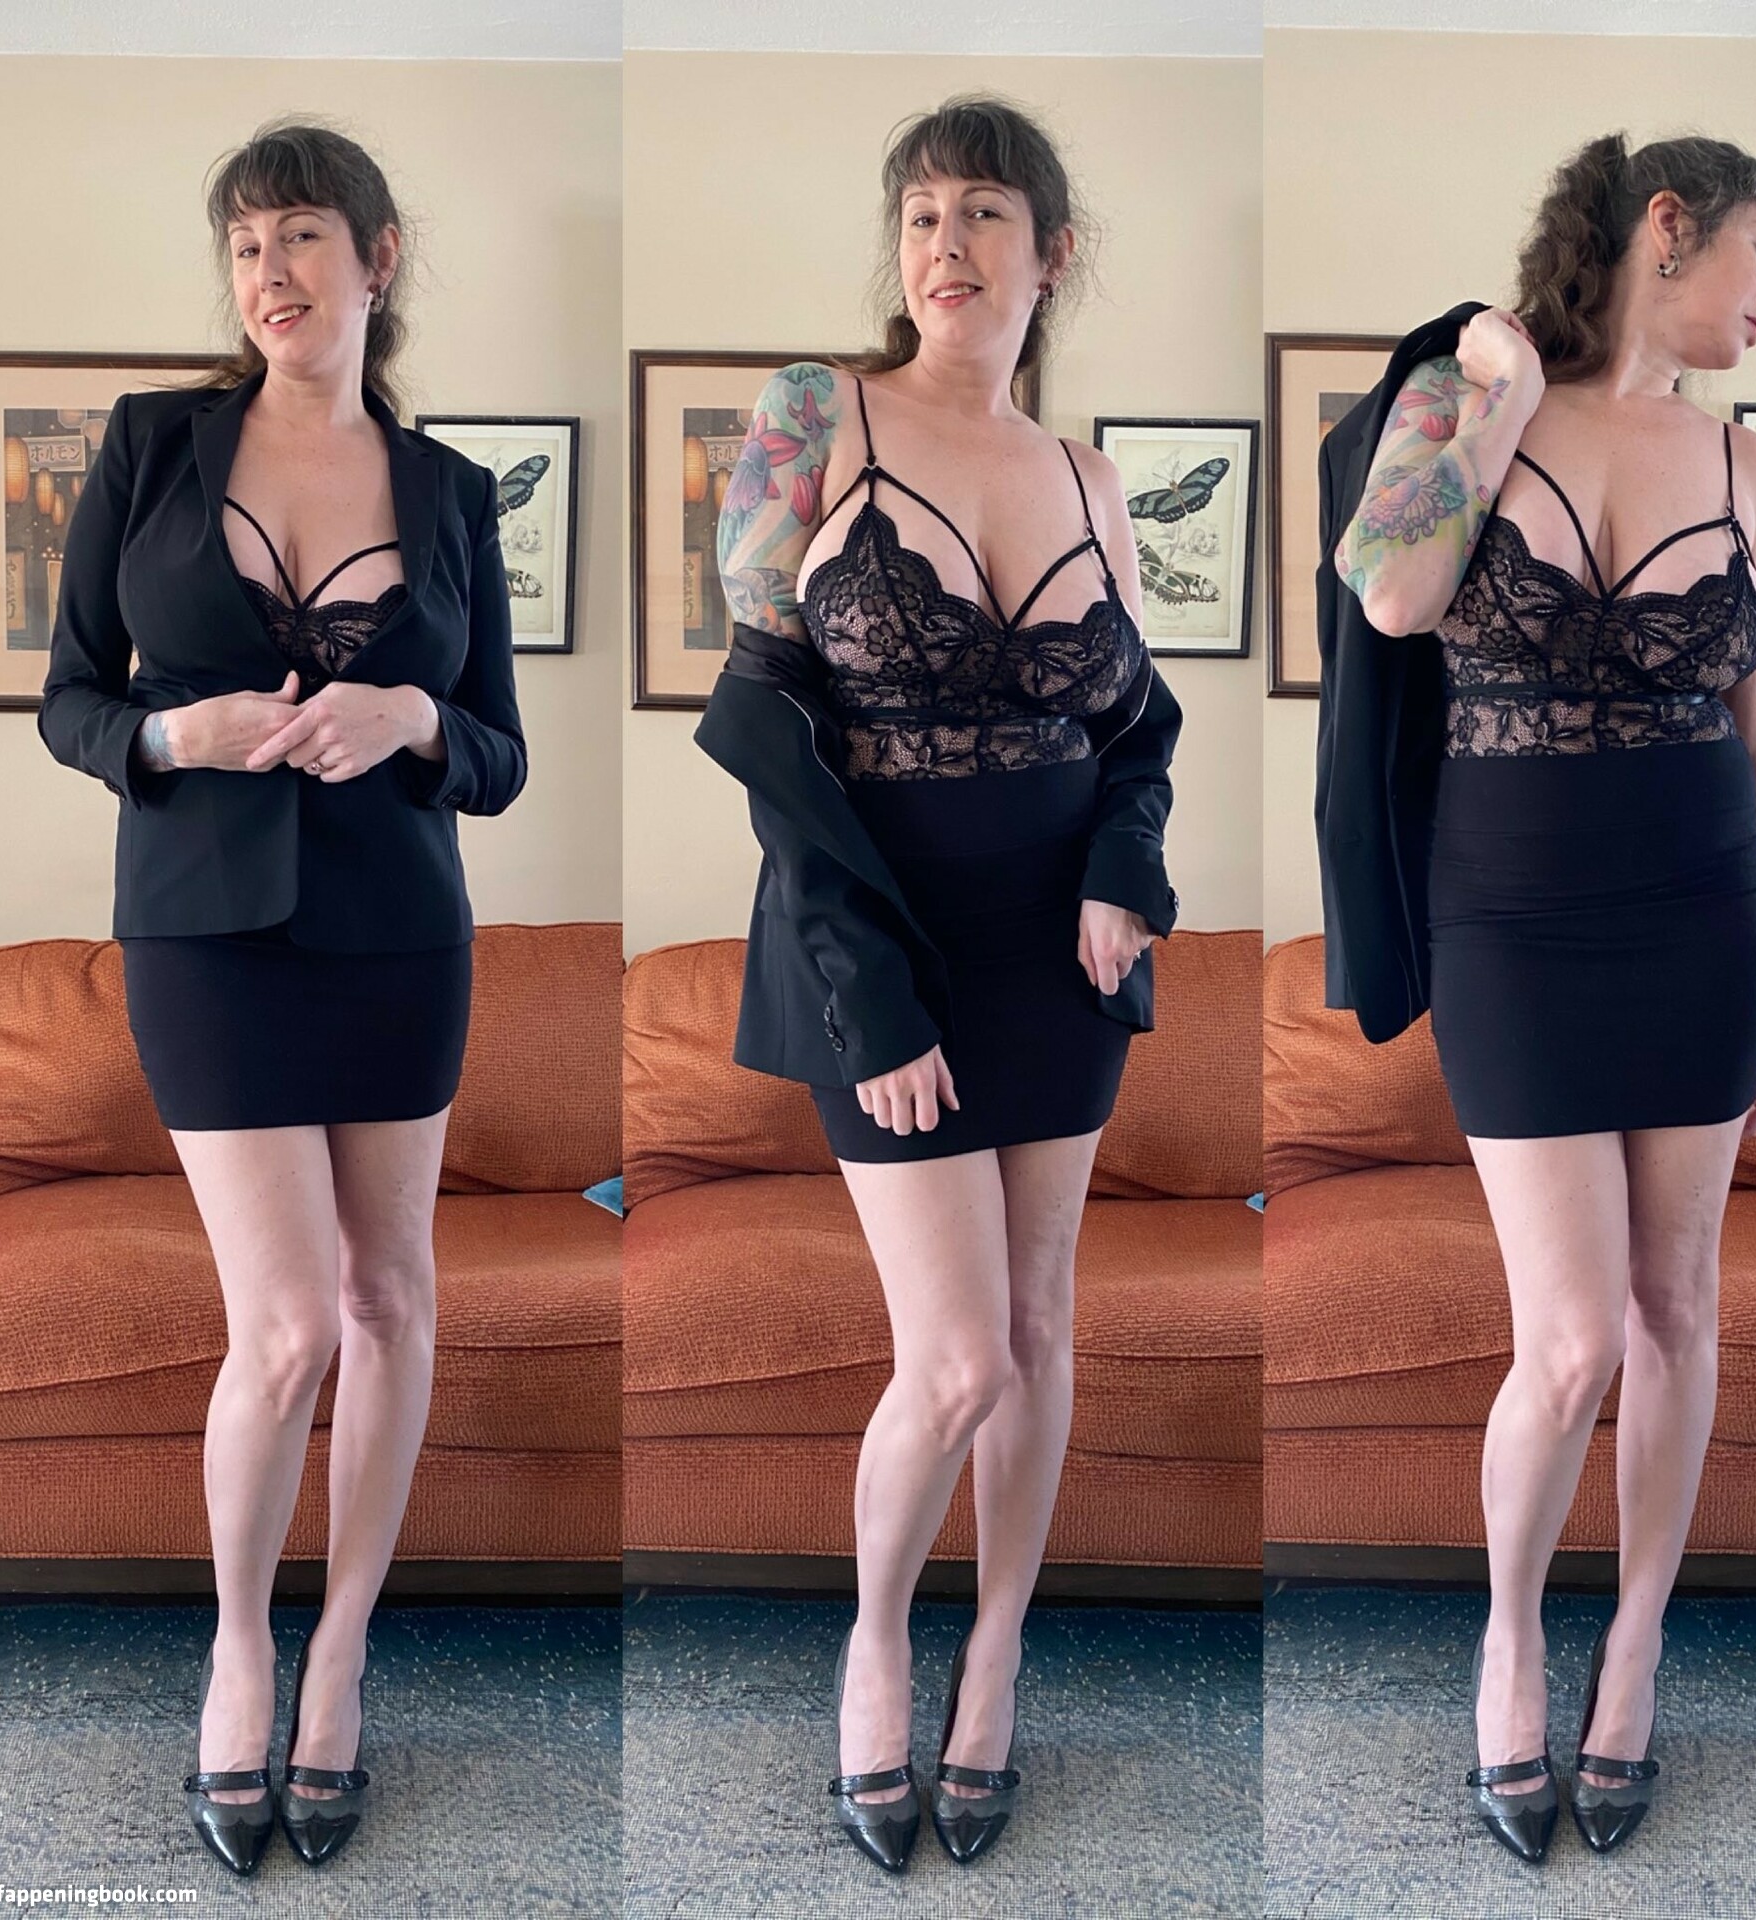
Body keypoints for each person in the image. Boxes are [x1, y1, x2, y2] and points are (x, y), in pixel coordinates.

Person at [695, 95, 1181, 1873]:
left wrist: (1130, 871)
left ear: (1052, 254)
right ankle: (880, 1648)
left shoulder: (1093, 482)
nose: (945, 244)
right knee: (958, 1354)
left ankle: (996, 1664)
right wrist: (870, 988)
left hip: (1059, 959)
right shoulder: (810, 418)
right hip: (876, 948)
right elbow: (763, 728)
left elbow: (1138, 735)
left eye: (983, 211)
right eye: (919, 214)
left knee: (1039, 1331)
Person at [38, 120, 525, 1876]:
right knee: (291, 1325)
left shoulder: (452, 492)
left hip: (401, 936)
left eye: (303, 235)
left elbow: (500, 756)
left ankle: (342, 1658)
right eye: (246, 245)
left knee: (393, 1300)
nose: (271, 273)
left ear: (376, 259)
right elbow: (73, 698)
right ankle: (241, 1648)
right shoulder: (152, 445)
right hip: (205, 938)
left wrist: (414, 719)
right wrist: (180, 732)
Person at [1333, 132, 1756, 1862]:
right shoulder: (1464, 398)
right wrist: (1500, 397)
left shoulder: (1751, 464)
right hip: (1511, 929)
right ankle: (1512, 1643)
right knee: (1572, 1339)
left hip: (1703, 925)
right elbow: (1394, 596)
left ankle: (1636, 1653)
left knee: (1678, 1312)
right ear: (1665, 227)